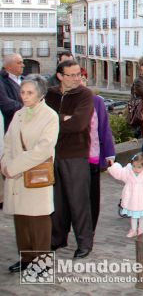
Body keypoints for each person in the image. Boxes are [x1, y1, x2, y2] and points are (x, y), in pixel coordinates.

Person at [1, 75, 59, 273]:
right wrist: (4, 164)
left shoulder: (50, 116)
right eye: (22, 92)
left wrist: (13, 167)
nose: (24, 96)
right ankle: (25, 258)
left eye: (29, 93)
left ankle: (41, 263)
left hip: (35, 176)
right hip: (16, 177)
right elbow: (7, 143)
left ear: (41, 94)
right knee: (21, 220)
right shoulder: (18, 114)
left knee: (39, 221)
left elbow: (42, 150)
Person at [45, 60, 95, 258]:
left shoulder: (85, 94)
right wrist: (64, 117)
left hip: (76, 155)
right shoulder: (49, 94)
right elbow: (42, 122)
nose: (77, 78)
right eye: (71, 75)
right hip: (52, 154)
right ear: (60, 76)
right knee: (55, 201)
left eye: (78, 74)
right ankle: (57, 238)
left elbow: (79, 124)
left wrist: (55, 119)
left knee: (79, 201)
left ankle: (84, 243)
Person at [80, 71, 116, 232]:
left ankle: (90, 229)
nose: (79, 82)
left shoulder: (96, 101)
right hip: (71, 157)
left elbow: (104, 129)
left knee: (92, 196)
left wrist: (109, 154)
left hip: (92, 156)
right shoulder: (64, 101)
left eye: (82, 79)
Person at [108, 153, 143, 237]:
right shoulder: (128, 172)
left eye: (139, 167)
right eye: (134, 166)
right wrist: (113, 166)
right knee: (133, 215)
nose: (136, 169)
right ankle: (133, 230)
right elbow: (119, 173)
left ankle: (141, 229)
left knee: (142, 215)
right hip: (132, 199)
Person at [0, 53, 24, 132]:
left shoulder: (26, 80)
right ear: (9, 66)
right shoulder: (1, 81)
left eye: (22, 62)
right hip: (11, 129)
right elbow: (6, 104)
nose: (23, 65)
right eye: (19, 63)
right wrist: (29, 108)